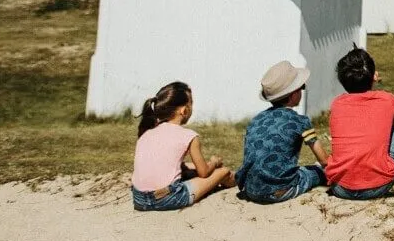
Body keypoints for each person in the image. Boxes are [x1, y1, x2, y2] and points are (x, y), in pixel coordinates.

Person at [325, 47, 394, 199]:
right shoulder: (387, 99)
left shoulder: (336, 104)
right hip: (378, 186)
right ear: (374, 76)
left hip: (340, 187)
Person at [131, 81, 234, 211]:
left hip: (139, 199)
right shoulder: (189, 135)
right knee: (223, 172)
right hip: (167, 198)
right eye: (191, 104)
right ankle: (236, 181)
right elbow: (203, 173)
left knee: (188, 168)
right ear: (184, 110)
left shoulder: (147, 133)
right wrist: (213, 162)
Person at [237, 61, 328, 204]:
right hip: (280, 191)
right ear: (293, 94)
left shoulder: (256, 120)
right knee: (318, 171)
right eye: (301, 87)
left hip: (251, 189)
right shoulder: (299, 121)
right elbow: (324, 160)